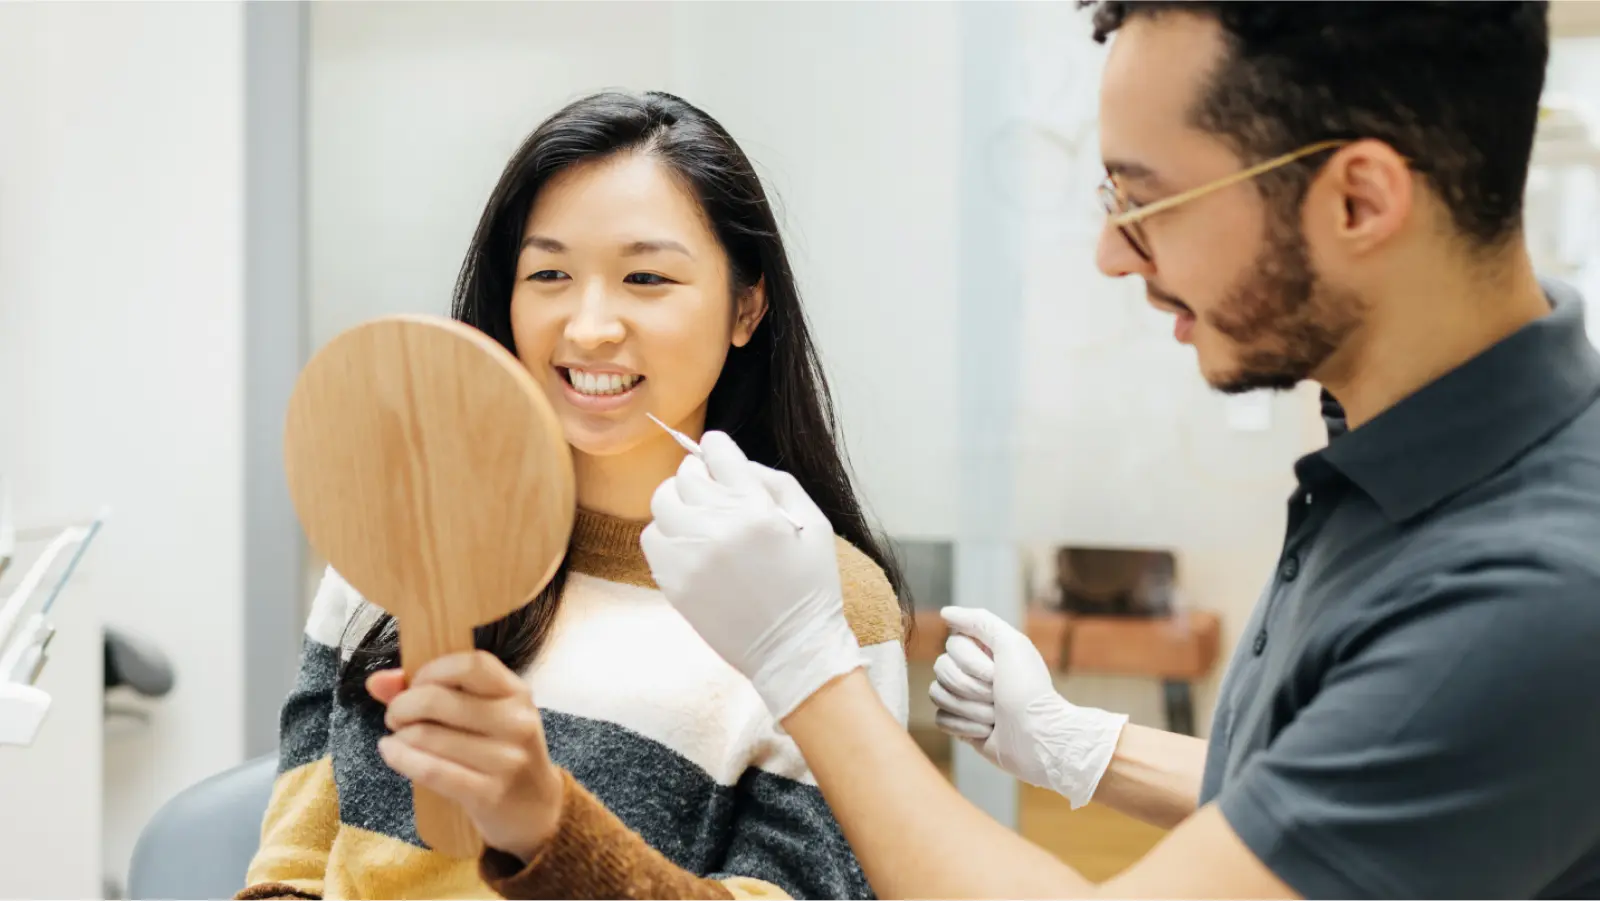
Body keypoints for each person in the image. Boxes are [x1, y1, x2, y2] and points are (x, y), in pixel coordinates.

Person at [639, 2, 1600, 899]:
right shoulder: (1405, 460)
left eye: (1149, 201)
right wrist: (1082, 745)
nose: (1112, 251)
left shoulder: (1533, 594)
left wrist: (804, 666)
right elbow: (1340, 792)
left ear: (1358, 201)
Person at [239, 90, 911, 901]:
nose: (589, 325)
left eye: (646, 276)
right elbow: (293, 867)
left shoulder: (817, 603)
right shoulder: (407, 517)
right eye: (550, 272)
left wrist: (546, 824)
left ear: (746, 305)